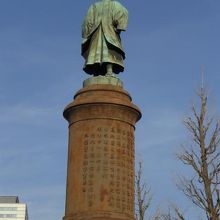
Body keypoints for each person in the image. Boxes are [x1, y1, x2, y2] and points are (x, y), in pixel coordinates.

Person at [81, 0, 128, 76]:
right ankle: (107, 70)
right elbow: (122, 15)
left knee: (100, 51)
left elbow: (87, 22)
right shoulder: (115, 5)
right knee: (108, 51)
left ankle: (99, 72)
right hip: (106, 32)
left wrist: (87, 33)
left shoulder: (94, 7)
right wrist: (119, 27)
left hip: (98, 33)